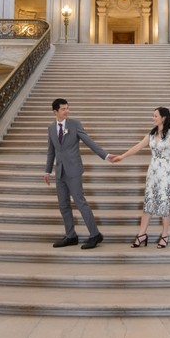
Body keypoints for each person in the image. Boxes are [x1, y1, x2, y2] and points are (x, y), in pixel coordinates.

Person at [111, 106, 170, 248]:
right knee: (148, 203)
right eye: (153, 116)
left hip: (165, 173)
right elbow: (138, 147)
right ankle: (142, 234)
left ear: (163, 117)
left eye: (155, 116)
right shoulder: (151, 135)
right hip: (152, 173)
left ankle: (165, 235)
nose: (153, 118)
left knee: (164, 203)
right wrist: (122, 156)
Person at [44, 98, 112, 249]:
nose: (67, 111)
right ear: (55, 112)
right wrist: (47, 171)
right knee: (63, 205)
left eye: (67, 108)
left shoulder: (75, 124)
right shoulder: (50, 128)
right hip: (59, 171)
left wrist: (105, 155)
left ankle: (95, 235)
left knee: (80, 202)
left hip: (74, 170)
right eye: (63, 109)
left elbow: (88, 141)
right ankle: (71, 236)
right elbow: (51, 151)